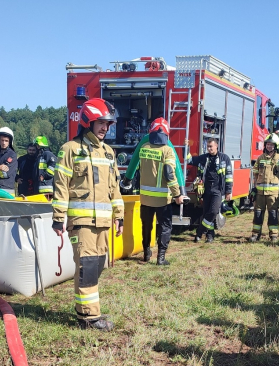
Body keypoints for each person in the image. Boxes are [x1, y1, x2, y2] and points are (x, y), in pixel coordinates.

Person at [51, 98, 124, 331]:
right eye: (100, 123)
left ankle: (88, 310)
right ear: (88, 122)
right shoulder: (70, 150)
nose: (105, 128)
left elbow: (115, 188)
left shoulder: (109, 152)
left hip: (103, 222)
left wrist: (119, 215)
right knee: (87, 266)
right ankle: (89, 318)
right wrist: (58, 217)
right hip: (81, 222)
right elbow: (60, 185)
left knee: (98, 264)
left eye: (108, 124)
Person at [123, 118, 183, 265]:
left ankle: (146, 254)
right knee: (165, 227)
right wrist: (178, 193)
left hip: (145, 198)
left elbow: (133, 164)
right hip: (163, 199)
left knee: (146, 226)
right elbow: (170, 173)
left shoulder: (144, 148)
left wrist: (127, 180)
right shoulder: (167, 149)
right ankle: (161, 258)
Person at [189, 138, 233, 242]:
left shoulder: (224, 158)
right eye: (208, 147)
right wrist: (186, 148)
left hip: (218, 190)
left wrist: (228, 191)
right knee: (206, 213)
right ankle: (210, 235)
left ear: (216, 146)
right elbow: (189, 160)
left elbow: (229, 176)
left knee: (213, 212)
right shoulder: (203, 158)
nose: (209, 149)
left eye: (211, 147)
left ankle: (199, 232)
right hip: (206, 190)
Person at [249, 133, 279, 243]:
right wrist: (258, 183)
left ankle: (274, 235)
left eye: (272, 145)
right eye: (268, 144)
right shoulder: (260, 158)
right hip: (260, 193)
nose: (269, 146)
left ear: (276, 146)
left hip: (273, 193)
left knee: (273, 214)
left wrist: (276, 180)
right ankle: (255, 234)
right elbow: (255, 172)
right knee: (258, 214)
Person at [0, 127, 18, 195]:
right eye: (2, 140)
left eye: (6, 141)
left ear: (10, 142)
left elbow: (6, 174)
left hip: (7, 191)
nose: (3, 143)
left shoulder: (12, 155)